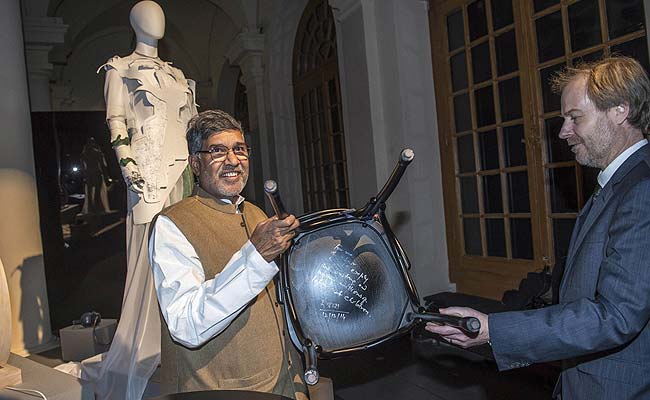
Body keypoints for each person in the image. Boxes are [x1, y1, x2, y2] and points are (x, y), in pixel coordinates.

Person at [427, 56, 650, 399]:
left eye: (575, 117)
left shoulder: (641, 189)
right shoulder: (616, 185)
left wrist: (492, 330)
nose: (563, 132)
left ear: (620, 110)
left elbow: (616, 316)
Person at [148, 109, 308, 399]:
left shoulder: (256, 212)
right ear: (196, 163)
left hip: (285, 384)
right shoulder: (172, 224)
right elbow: (186, 325)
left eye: (240, 150)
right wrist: (256, 257)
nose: (233, 160)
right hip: (220, 392)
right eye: (218, 151)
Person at [82, 2, 197, 399]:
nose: (157, 20)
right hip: (147, 176)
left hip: (184, 175)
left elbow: (192, 126)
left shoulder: (178, 75)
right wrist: (131, 171)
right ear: (134, 23)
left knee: (187, 259)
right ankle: (146, 349)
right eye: (148, 14)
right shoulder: (120, 69)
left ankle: (185, 340)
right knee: (149, 265)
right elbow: (116, 122)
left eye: (161, 12)